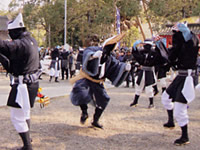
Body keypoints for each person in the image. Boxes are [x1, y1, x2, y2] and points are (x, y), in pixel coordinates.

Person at [70, 33, 131, 129]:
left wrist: (124, 68)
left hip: (98, 82)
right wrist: (93, 56)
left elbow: (116, 67)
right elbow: (87, 53)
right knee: (81, 92)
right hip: (86, 78)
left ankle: (95, 120)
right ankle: (84, 112)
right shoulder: (94, 50)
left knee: (104, 99)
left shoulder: (110, 58)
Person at [0, 13, 40, 150]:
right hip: (32, 83)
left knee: (17, 116)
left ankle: (27, 146)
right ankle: (28, 140)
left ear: (16, 30)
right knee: (25, 113)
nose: (9, 35)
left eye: (10, 32)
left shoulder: (21, 44)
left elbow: (4, 47)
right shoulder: (32, 41)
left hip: (23, 85)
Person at [161, 22, 199, 145]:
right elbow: (172, 55)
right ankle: (171, 121)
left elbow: (192, 44)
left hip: (187, 78)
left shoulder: (191, 42)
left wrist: (188, 34)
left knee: (180, 108)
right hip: (180, 76)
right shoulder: (180, 45)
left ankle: (185, 136)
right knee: (165, 98)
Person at [129, 39, 165, 109]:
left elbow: (160, 57)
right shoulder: (142, 52)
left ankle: (151, 103)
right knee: (138, 86)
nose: (144, 47)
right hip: (142, 71)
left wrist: (159, 46)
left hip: (149, 72)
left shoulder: (154, 53)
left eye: (145, 45)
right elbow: (137, 56)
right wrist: (134, 48)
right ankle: (135, 101)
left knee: (149, 88)